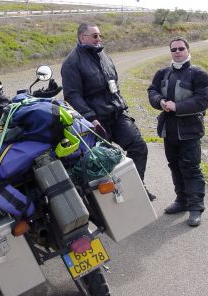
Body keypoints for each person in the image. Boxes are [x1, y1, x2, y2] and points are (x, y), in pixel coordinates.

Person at [61, 22, 156, 201]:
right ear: (83, 37)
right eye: (95, 36)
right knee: (103, 162)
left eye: (100, 35)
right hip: (96, 121)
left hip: (117, 114)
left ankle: (137, 187)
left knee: (139, 147)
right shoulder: (71, 63)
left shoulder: (103, 55)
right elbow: (72, 95)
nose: (99, 39)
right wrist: (90, 118)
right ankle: (109, 202)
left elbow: (114, 82)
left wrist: (120, 103)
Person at [147, 36, 208, 226]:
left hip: (190, 130)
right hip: (169, 130)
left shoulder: (199, 74)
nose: (177, 52)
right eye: (173, 49)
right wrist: (160, 101)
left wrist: (177, 107)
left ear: (188, 50)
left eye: (180, 49)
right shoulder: (163, 73)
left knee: (191, 168)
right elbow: (152, 91)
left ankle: (195, 208)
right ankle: (181, 201)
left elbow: (203, 100)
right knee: (174, 166)